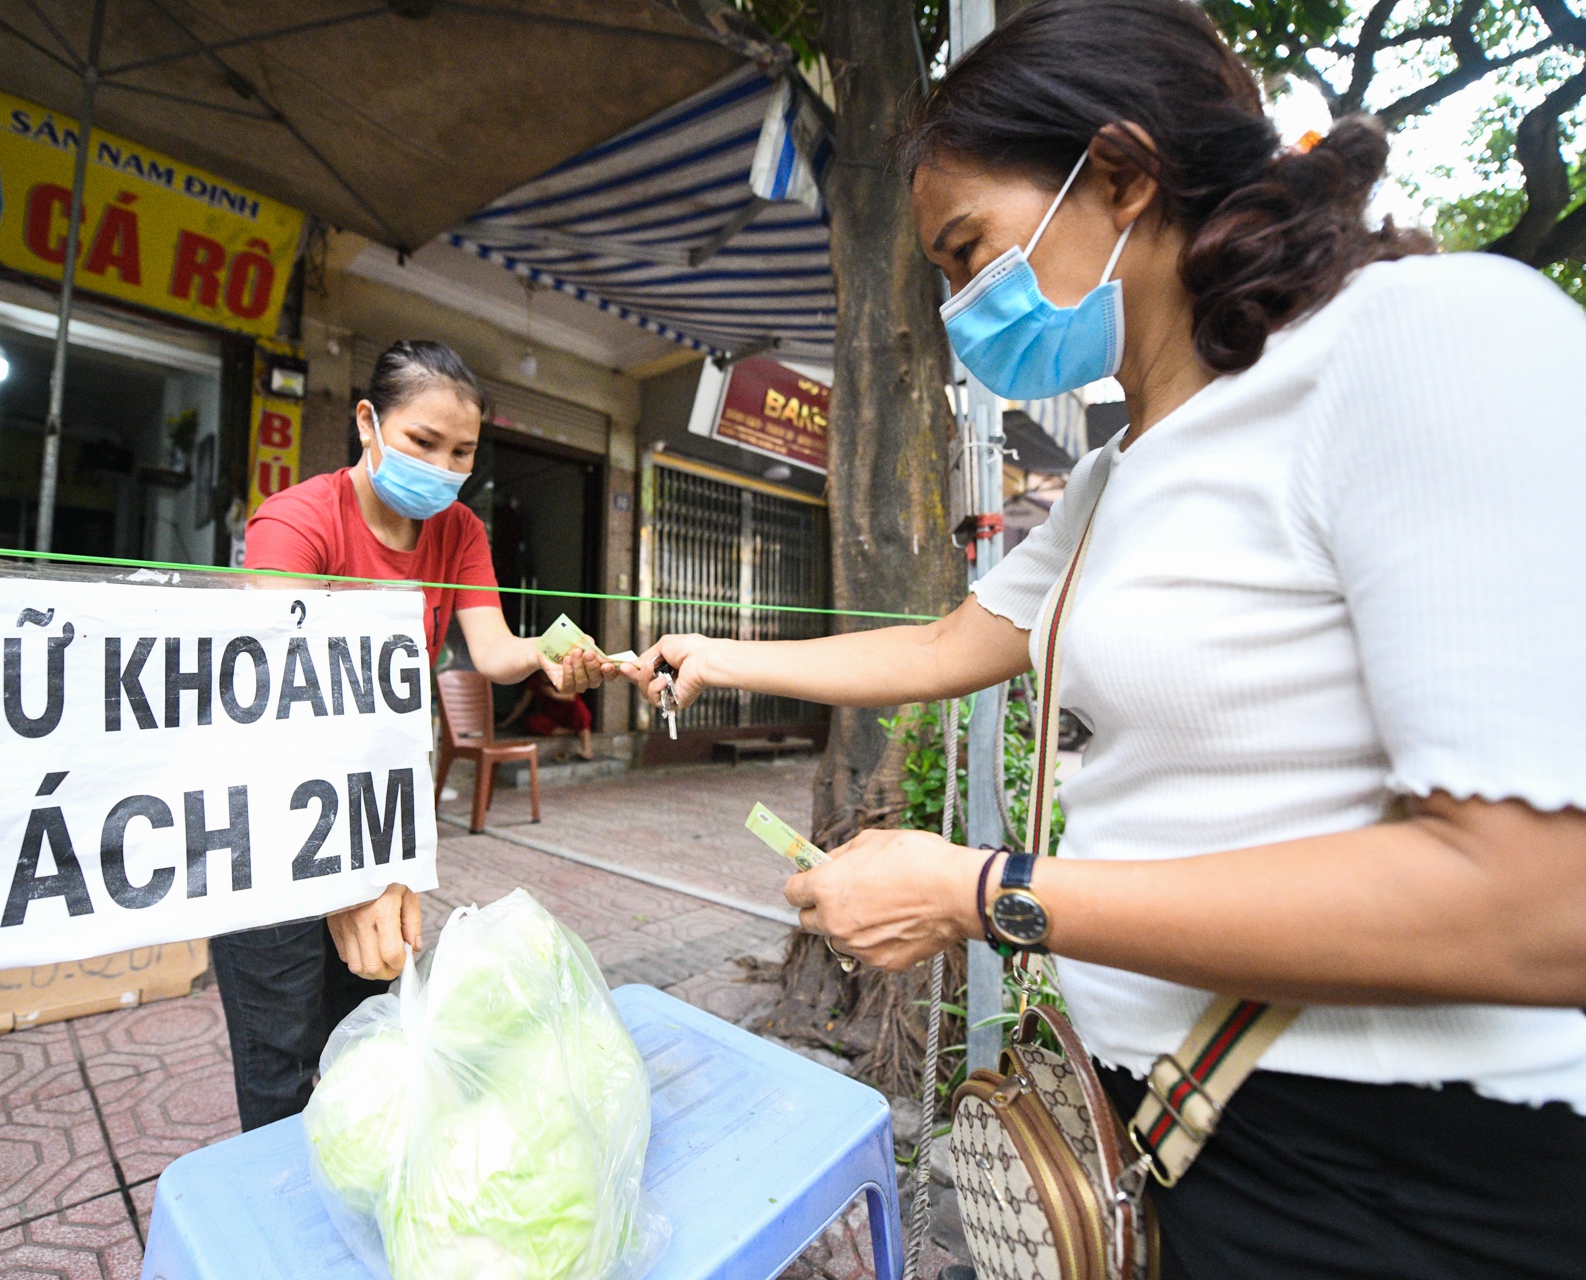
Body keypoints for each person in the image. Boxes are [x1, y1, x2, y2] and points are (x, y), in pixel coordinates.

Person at [627, 2, 1586, 1275]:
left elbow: (1540, 898)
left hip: (1402, 1170)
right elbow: (952, 642)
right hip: (1186, 1138)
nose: (965, 302)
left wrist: (979, 892)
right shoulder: (1112, 477)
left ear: (1123, 174)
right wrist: (721, 653)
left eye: (968, 248)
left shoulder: (1427, 340)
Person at [216, 339, 613, 1131]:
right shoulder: (296, 521)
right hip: (269, 820)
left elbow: (494, 650)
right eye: (422, 443)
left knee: (368, 1035)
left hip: (371, 819)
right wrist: (347, 880)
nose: (442, 465)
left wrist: (553, 658)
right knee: (282, 1061)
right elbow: (277, 700)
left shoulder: (459, 530)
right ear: (368, 422)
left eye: (461, 451)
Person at [498, 668, 596, 759]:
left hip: (570, 714)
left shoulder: (564, 675)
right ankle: (572, 732)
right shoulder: (535, 680)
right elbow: (524, 703)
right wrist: (507, 722)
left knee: (581, 710)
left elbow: (572, 697)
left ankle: (586, 749)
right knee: (531, 721)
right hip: (551, 718)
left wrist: (554, 695)